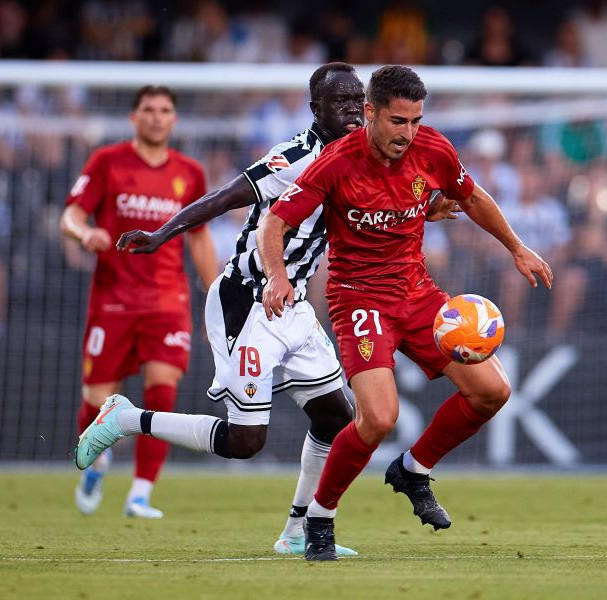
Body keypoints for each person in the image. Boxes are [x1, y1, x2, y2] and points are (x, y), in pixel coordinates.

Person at [74, 62, 456, 555]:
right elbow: (224, 197)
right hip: (251, 299)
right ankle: (126, 418)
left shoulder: (364, 156)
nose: (349, 111)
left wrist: (430, 206)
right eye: (337, 103)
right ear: (314, 109)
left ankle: (297, 532)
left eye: (354, 102)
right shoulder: (295, 156)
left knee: (337, 419)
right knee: (245, 441)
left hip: (293, 305)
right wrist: (162, 233)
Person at [260, 65, 553, 561]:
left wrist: (516, 248)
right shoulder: (335, 162)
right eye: (398, 121)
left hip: (418, 294)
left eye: (416, 120)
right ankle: (319, 516)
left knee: (493, 392)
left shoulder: (433, 149)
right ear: (370, 113)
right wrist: (278, 275)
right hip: (359, 297)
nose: (408, 133)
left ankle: (413, 470)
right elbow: (275, 223)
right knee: (378, 418)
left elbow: (473, 197)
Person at [61, 85, 218, 518]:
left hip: (167, 299)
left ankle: (140, 494)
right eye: (148, 109)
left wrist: (215, 296)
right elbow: (71, 214)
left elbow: (200, 236)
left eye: (165, 110)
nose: (156, 117)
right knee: (95, 399)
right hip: (112, 300)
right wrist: (84, 233)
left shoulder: (189, 172)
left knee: (161, 393)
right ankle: (99, 463)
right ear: (134, 118)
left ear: (174, 120)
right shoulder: (107, 162)